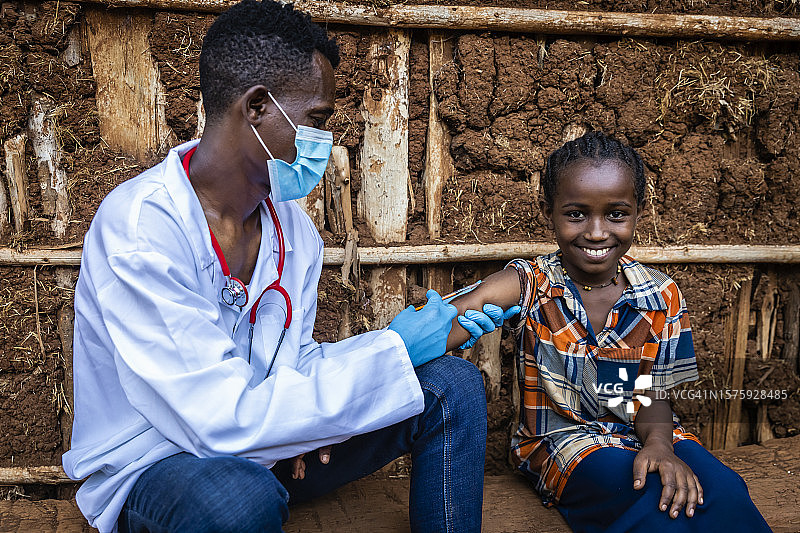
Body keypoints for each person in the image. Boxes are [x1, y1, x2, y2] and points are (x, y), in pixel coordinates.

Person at [61, 1, 518, 531]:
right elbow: (217, 419)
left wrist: (307, 427)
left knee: (450, 385)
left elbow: (291, 363)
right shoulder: (142, 229)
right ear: (256, 107)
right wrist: (388, 353)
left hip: (266, 437)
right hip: (161, 463)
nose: (325, 142)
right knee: (236, 500)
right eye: (316, 120)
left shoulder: (292, 230)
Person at [444, 131, 771, 532]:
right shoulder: (530, 284)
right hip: (562, 442)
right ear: (549, 211)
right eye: (576, 214)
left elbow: (650, 396)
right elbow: (447, 324)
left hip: (641, 431)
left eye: (616, 214)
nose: (597, 232)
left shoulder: (659, 295)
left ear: (638, 211)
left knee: (725, 493)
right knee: (651, 503)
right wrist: (438, 330)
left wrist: (659, 445)